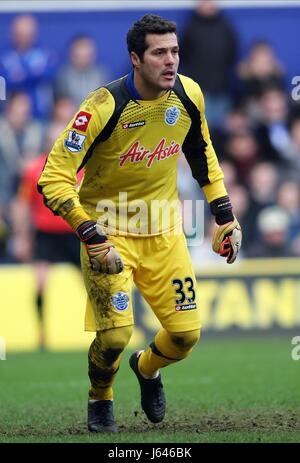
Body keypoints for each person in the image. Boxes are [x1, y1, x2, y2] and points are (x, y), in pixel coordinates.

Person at [38, 14, 242, 433]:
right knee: (114, 336)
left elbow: (203, 156)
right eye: (159, 53)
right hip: (108, 235)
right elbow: (53, 179)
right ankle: (101, 399)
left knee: (185, 336)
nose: (171, 61)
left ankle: (146, 368)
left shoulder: (189, 95)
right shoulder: (102, 106)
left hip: (165, 233)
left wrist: (226, 217)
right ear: (136, 58)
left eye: (175, 52)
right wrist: (91, 234)